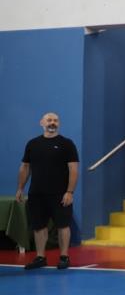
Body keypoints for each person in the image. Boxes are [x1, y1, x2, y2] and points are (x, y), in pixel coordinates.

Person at [17, 113, 79, 270]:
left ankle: (64, 257)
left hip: (60, 194)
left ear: (59, 124)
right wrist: (20, 188)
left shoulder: (67, 144)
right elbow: (25, 167)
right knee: (39, 226)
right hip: (37, 193)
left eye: (56, 120)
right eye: (49, 120)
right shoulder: (32, 144)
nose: (53, 123)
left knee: (63, 225)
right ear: (41, 123)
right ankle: (40, 257)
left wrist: (70, 191)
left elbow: (73, 169)